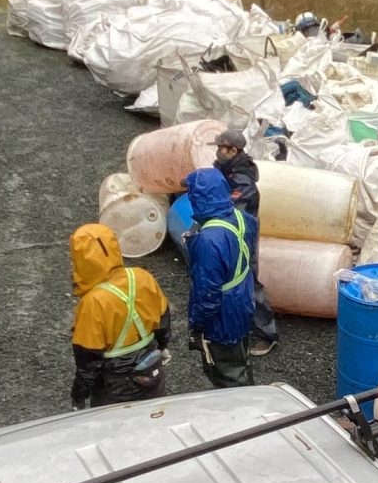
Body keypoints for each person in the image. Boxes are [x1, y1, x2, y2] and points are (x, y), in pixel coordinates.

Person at [68, 223, 170, 408]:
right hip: (151, 367)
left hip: (116, 384)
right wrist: (160, 348)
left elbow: (88, 362)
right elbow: (163, 321)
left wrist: (79, 396)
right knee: (155, 418)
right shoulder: (142, 277)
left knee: (118, 430)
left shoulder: (93, 302)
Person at [182, 168, 256, 387]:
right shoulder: (244, 219)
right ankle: (249, 395)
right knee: (240, 358)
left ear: (196, 197)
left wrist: (197, 325)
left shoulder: (208, 240)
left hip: (222, 316)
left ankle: (241, 415)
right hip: (242, 300)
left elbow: (207, 294)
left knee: (226, 372)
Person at [213, 128, 279, 357]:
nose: (218, 152)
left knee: (249, 281)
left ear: (233, 150)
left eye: (221, 148)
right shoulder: (225, 169)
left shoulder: (242, 181)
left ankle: (267, 335)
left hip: (242, 236)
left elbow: (233, 211)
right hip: (228, 234)